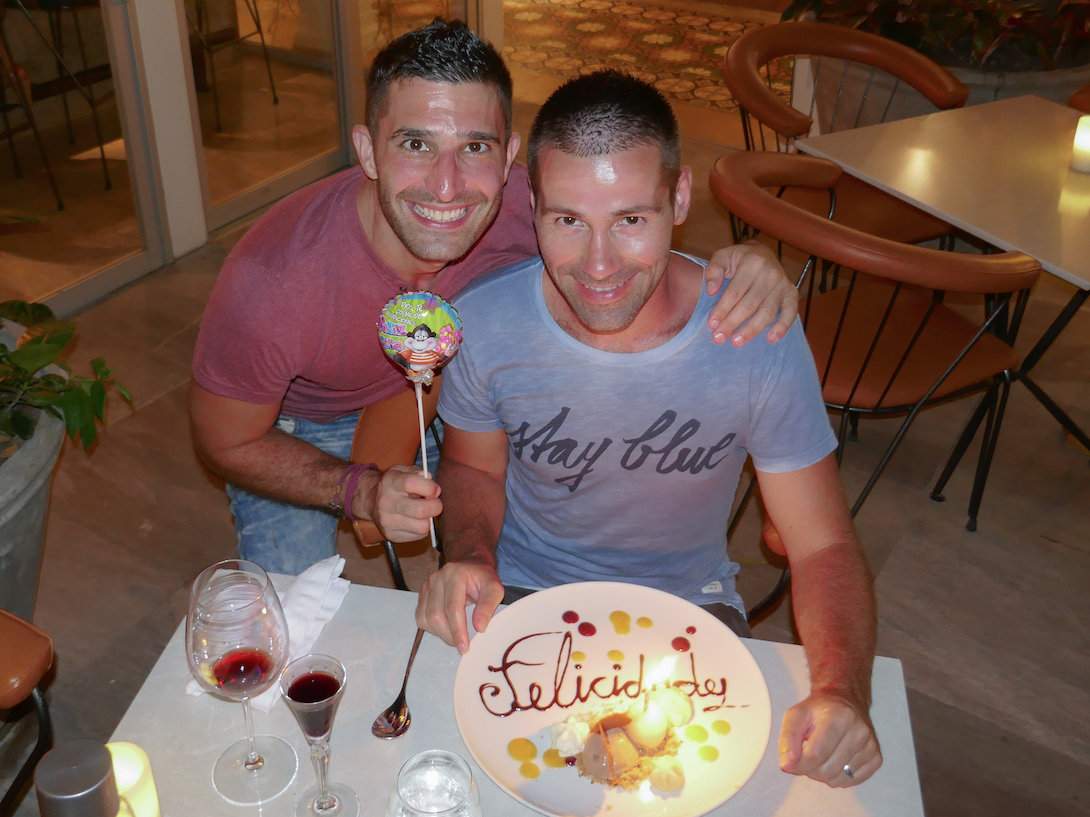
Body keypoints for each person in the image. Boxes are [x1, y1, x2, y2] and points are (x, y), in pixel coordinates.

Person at [189, 20, 799, 576]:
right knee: (290, 617)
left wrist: (746, 264)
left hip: (442, 389)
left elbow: (627, 231)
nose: (448, 187)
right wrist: (357, 489)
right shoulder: (273, 282)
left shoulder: (536, 211)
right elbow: (227, 440)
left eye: (475, 147)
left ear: (510, 160)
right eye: (416, 144)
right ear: (368, 151)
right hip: (300, 425)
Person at [416, 70, 882, 788]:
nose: (598, 266)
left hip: (690, 610)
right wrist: (472, 553)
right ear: (532, 206)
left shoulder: (755, 334)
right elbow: (474, 470)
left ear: (681, 201)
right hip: (525, 601)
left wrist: (842, 690)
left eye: (631, 219)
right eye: (568, 220)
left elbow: (822, 545)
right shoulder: (484, 322)